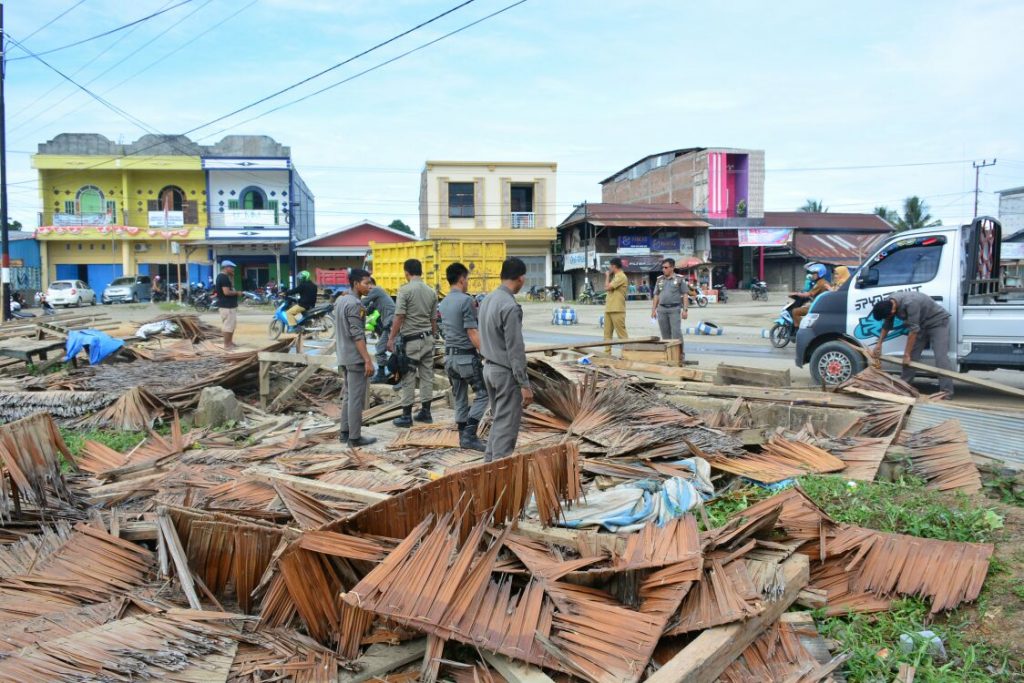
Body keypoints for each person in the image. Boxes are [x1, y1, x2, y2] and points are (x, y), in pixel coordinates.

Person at [478, 257, 532, 462]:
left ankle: (487, 469)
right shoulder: (509, 306)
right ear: (520, 278)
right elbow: (515, 349)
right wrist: (524, 384)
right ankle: (499, 474)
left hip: (489, 369)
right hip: (504, 373)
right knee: (506, 429)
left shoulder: (487, 300)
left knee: (498, 423)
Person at [439, 262, 488, 451]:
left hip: (449, 359)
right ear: (461, 279)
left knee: (459, 396)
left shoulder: (444, 302)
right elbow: (472, 332)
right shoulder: (466, 301)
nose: (467, 282)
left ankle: (462, 437)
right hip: (466, 358)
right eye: (467, 279)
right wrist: (487, 353)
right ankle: (469, 434)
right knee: (484, 395)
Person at [386, 259, 438, 427]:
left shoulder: (405, 290)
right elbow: (433, 319)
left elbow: (399, 316)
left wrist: (391, 338)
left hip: (412, 341)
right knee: (426, 376)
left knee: (408, 377)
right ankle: (426, 412)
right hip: (428, 338)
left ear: (406, 272)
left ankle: (406, 416)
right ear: (421, 272)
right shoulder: (431, 292)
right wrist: (434, 336)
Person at [871, 292, 954, 396]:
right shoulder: (888, 303)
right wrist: (879, 344)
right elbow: (887, 325)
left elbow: (913, 331)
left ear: (892, 311)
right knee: (911, 358)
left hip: (937, 322)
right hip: (920, 324)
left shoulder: (910, 303)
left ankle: (946, 393)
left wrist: (906, 354)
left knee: (941, 357)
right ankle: (903, 388)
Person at [334, 268, 377, 447]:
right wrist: (367, 359)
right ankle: (354, 437)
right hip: (354, 358)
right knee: (356, 398)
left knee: (349, 395)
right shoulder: (355, 305)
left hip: (343, 356)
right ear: (355, 284)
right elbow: (357, 335)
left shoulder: (341, 300)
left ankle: (345, 432)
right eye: (366, 283)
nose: (369, 287)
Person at [362, 277, 396, 383]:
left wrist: (350, 297)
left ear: (371, 285)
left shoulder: (377, 290)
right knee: (380, 348)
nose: (366, 288)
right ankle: (382, 374)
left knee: (397, 351)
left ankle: (399, 375)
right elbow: (368, 310)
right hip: (388, 326)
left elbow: (362, 301)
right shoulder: (377, 299)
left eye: (367, 285)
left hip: (392, 324)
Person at [651, 258, 689, 340]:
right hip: (661, 310)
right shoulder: (659, 279)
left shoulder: (679, 279)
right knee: (665, 335)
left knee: (676, 334)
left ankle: (679, 352)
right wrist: (653, 310)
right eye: (663, 267)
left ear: (672, 268)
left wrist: (685, 310)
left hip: (674, 309)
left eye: (666, 267)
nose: (663, 269)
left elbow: (685, 294)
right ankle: (668, 352)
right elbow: (656, 295)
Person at [790, 264, 831, 329]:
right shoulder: (821, 282)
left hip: (818, 308)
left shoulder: (821, 283)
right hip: (818, 305)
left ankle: (801, 329)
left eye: (814, 273)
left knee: (795, 311)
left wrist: (797, 294)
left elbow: (809, 294)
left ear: (820, 274)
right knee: (804, 306)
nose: (812, 275)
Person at [603, 257, 629, 352]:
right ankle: (607, 353)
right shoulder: (615, 277)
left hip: (617, 309)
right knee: (607, 333)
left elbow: (606, 287)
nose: (609, 268)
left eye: (610, 266)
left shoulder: (621, 276)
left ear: (614, 266)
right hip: (609, 308)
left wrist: (607, 276)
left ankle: (628, 352)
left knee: (621, 334)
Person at [215, 261, 240, 350]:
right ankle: (227, 344)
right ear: (226, 267)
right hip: (226, 305)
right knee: (228, 326)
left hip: (230, 305)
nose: (233, 269)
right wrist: (237, 293)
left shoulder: (226, 277)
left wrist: (232, 277)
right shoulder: (223, 278)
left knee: (231, 325)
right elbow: (227, 292)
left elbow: (231, 287)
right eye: (231, 267)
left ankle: (230, 342)